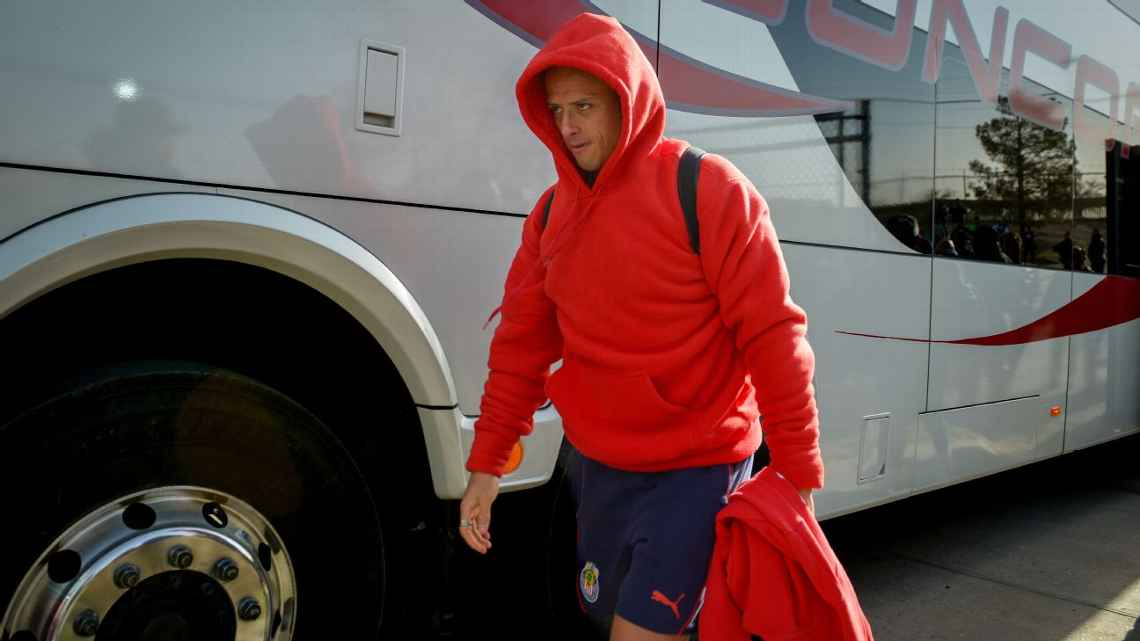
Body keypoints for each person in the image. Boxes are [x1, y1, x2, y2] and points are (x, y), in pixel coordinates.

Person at [459, 13, 823, 641]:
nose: (568, 126)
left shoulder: (707, 190)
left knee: (640, 634)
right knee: (611, 622)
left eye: (584, 106)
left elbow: (774, 338)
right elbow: (519, 349)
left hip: (699, 466)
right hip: (600, 468)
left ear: (625, 102)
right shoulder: (548, 216)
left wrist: (797, 475)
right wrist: (486, 466)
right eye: (557, 110)